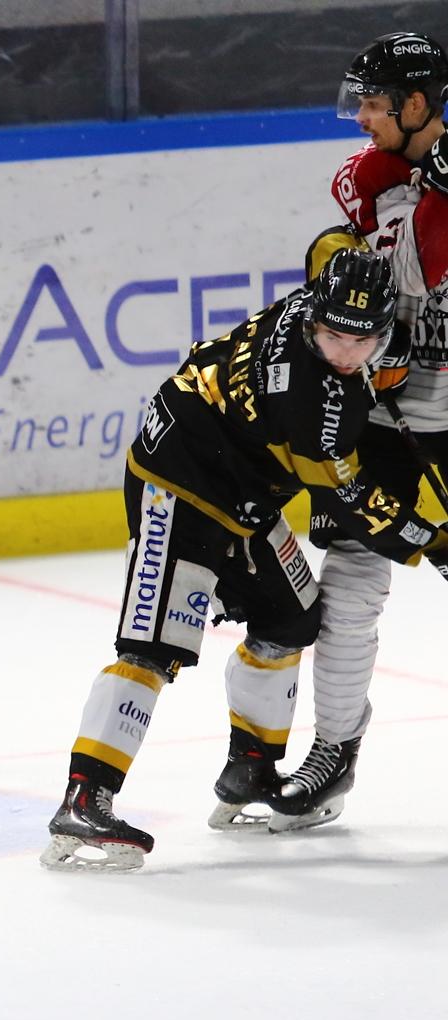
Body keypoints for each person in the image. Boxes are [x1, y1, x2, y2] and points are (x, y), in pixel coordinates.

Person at [42, 249, 448, 872]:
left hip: (246, 494)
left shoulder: (312, 306)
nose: (343, 351)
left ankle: (251, 769)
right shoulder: (319, 405)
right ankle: (84, 797)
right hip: (177, 478)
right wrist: (436, 541)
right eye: (333, 336)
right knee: (152, 644)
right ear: (315, 317)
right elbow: (353, 503)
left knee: (291, 618)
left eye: (360, 340)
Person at [281, 32, 448, 822]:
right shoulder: (367, 177)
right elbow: (405, 264)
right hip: (379, 415)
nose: (362, 121)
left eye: (374, 105)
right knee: (348, 586)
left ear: (416, 105)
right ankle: (334, 750)